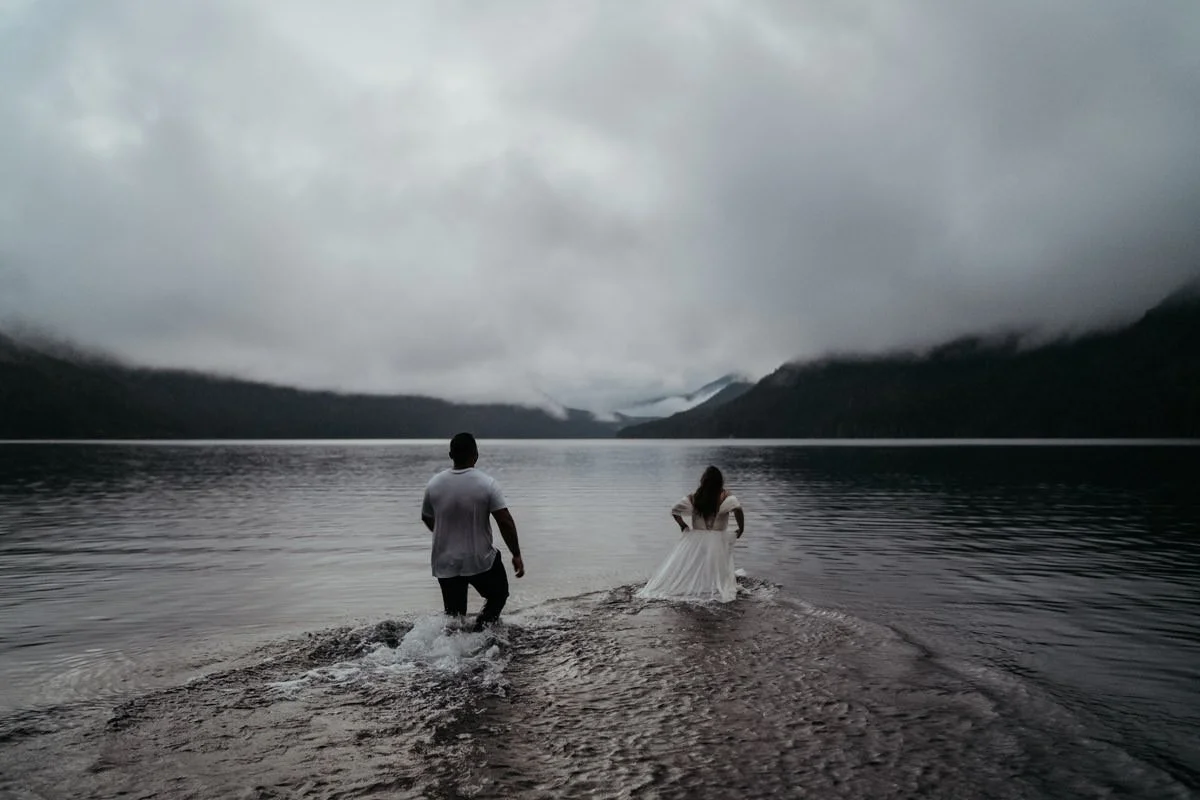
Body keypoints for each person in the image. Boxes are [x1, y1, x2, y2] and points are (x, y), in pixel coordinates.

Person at [421, 433, 525, 630]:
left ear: (450, 454)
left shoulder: (434, 484)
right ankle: (482, 630)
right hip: (480, 560)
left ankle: (454, 648)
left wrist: (445, 537)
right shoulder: (487, 484)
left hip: (445, 561)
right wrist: (516, 554)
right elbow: (505, 522)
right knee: (498, 595)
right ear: (476, 455)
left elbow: (426, 517)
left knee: (454, 617)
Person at [637, 465, 745, 603]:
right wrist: (740, 529)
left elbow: (675, 510)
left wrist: (683, 525)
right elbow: (738, 509)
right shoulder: (725, 496)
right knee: (718, 567)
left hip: (696, 539)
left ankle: (697, 586)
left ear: (703, 481)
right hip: (718, 539)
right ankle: (713, 587)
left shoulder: (695, 497)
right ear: (720, 481)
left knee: (696, 565)